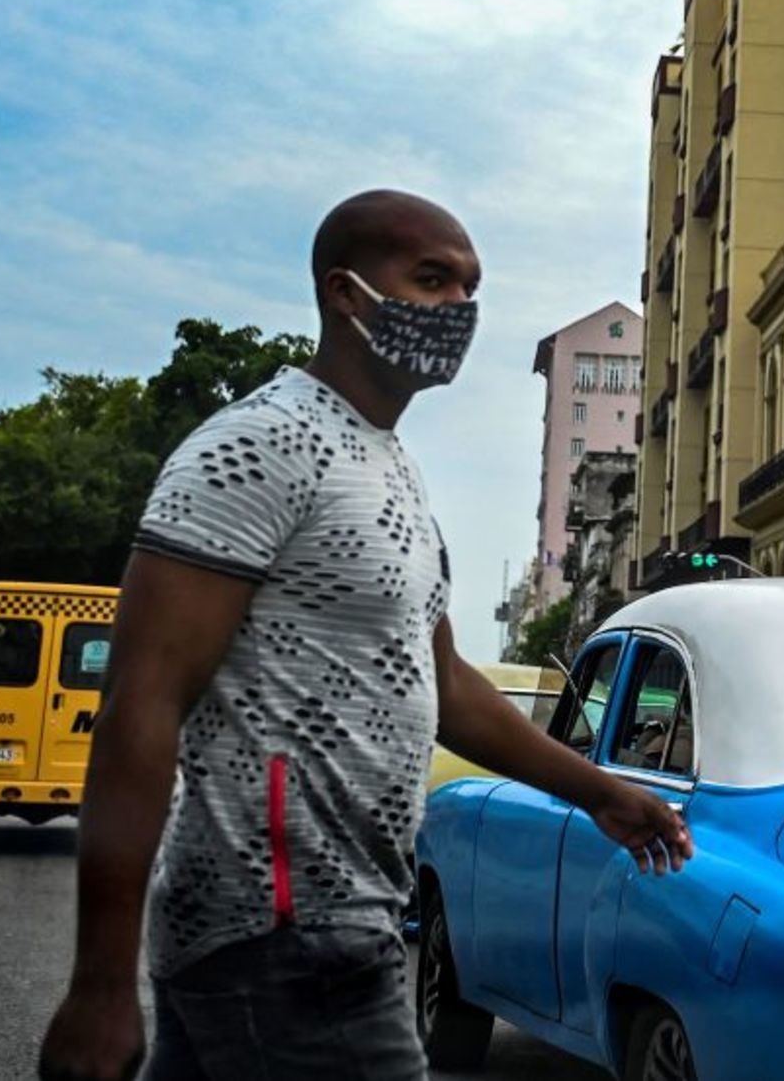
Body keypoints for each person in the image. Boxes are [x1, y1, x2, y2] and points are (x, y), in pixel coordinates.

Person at [39, 191, 692, 1081]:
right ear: (345, 294)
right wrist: (99, 984)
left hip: (349, 919)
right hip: (282, 925)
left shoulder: (390, 468)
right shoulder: (259, 447)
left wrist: (601, 794)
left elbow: (444, 681)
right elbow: (139, 706)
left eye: (470, 288)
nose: (457, 309)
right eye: (430, 280)